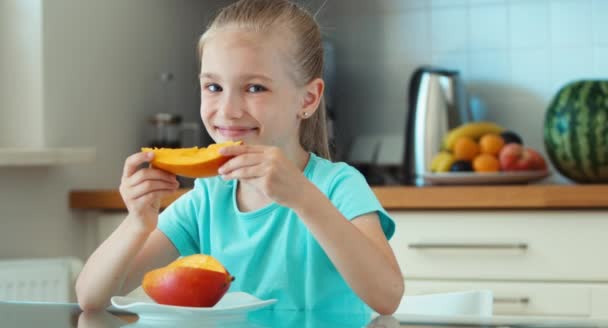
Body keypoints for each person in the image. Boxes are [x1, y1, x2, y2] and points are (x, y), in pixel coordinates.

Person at [75, 0, 404, 315]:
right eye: (214, 87)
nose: (228, 111)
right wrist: (136, 224)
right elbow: (91, 299)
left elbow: (387, 297)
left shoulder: (337, 186)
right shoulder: (207, 199)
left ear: (309, 98)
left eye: (255, 88)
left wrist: (304, 199)